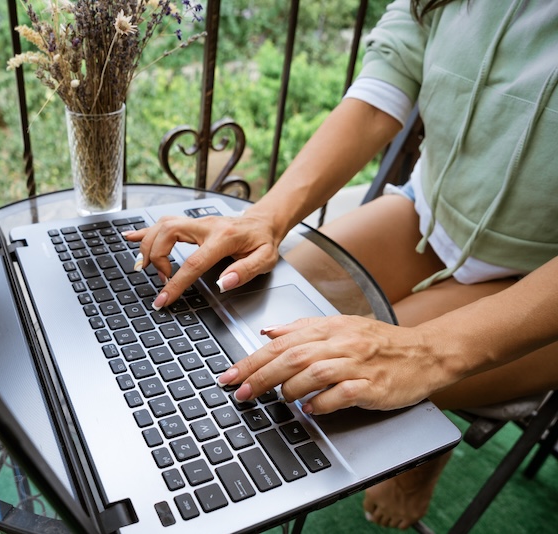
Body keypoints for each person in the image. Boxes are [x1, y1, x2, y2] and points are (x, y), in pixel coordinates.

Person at [124, 0, 558, 529]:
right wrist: (267, 218)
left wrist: (429, 351)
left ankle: (422, 458)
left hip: (541, 274)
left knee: (338, 382)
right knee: (260, 324)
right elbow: (380, 97)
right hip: (430, 212)